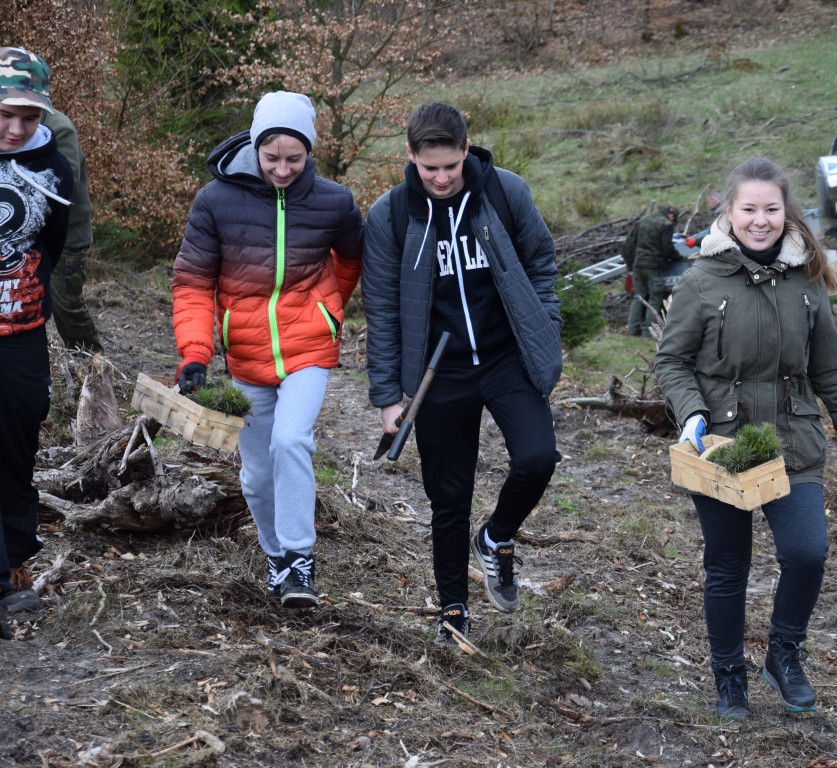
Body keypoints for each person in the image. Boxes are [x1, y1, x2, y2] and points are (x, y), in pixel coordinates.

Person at [654, 157, 837, 720]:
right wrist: (692, 414)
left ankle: (784, 653)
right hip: (724, 448)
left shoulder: (807, 279)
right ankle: (729, 674)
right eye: (748, 209)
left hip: (793, 439)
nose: (760, 220)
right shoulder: (702, 281)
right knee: (729, 566)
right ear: (728, 212)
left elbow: (829, 369)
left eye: (771, 209)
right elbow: (673, 360)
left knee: (808, 554)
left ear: (786, 213)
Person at [361, 102, 562, 645]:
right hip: (437, 375)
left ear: (466, 150)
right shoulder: (392, 215)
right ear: (410, 157)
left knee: (538, 457)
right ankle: (454, 613)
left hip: (505, 360)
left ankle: (497, 539)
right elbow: (379, 310)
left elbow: (541, 262)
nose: (442, 178)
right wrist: (387, 396)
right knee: (448, 498)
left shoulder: (504, 193)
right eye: (430, 169)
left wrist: (546, 330)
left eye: (451, 165)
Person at [172, 91, 364, 608]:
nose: (282, 169)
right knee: (256, 476)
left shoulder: (333, 200)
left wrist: (328, 311)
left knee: (291, 442)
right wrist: (195, 351)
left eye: (294, 159)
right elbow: (193, 282)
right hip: (246, 355)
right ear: (254, 147)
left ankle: (302, 561)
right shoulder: (216, 200)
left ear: (310, 153)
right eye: (272, 157)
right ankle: (277, 559)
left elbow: (349, 261)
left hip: (309, 350)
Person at [0, 47, 73, 616]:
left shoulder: (54, 166)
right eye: (5, 113)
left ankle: (18, 552)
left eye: (29, 117)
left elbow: (55, 241)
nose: (16, 127)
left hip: (22, 327)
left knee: (21, 434)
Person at [42, 108, 103, 353]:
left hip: (67, 235)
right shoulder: (13, 121)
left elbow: (63, 185)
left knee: (65, 304)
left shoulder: (59, 127)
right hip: (32, 233)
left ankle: (92, 362)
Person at [623, 204, 680, 337]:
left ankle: (632, 329)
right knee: (655, 298)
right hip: (654, 266)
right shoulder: (666, 224)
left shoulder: (644, 220)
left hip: (638, 264)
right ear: (671, 216)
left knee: (639, 296)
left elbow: (632, 243)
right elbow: (667, 249)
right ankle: (647, 332)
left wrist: (631, 264)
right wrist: (678, 258)